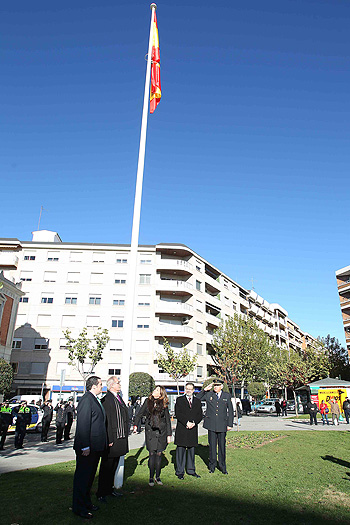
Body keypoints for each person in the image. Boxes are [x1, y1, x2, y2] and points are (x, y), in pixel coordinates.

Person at [72, 376, 107, 520]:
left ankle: (86, 503)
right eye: (100, 385)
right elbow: (84, 425)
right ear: (93, 386)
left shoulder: (94, 399)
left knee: (89, 478)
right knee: (82, 478)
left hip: (95, 447)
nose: (101, 387)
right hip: (87, 448)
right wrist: (85, 446)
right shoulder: (87, 400)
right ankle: (79, 507)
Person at [97, 376, 129, 502]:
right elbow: (107, 421)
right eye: (117, 382)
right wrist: (109, 438)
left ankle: (109, 489)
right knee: (106, 467)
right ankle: (101, 492)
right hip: (112, 439)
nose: (119, 384)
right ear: (111, 385)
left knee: (114, 465)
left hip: (120, 438)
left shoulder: (119, 398)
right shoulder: (107, 400)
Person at [133, 385, 172, 486]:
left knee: (159, 454)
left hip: (161, 432)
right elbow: (139, 414)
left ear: (161, 393)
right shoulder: (147, 401)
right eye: (154, 389)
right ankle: (151, 477)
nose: (155, 391)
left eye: (157, 390)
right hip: (150, 431)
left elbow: (168, 420)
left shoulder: (164, 403)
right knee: (151, 454)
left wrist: (169, 434)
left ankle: (157, 477)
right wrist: (136, 425)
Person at [196, 379, 233, 474]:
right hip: (211, 425)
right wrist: (204, 390)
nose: (215, 387)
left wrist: (230, 424)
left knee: (222, 447)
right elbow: (197, 398)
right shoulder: (209, 394)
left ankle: (222, 466)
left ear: (221, 386)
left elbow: (231, 411)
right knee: (212, 447)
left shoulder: (226, 396)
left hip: (222, 425)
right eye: (214, 385)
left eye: (217, 385)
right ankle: (212, 466)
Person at [174, 382, 203, 480]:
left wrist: (194, 423)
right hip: (182, 428)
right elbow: (178, 413)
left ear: (193, 390)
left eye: (190, 389)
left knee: (191, 451)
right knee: (181, 450)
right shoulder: (179, 400)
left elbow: (200, 414)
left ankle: (191, 470)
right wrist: (186, 423)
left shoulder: (198, 401)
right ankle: (180, 471)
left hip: (193, 429)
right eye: (187, 388)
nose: (188, 390)